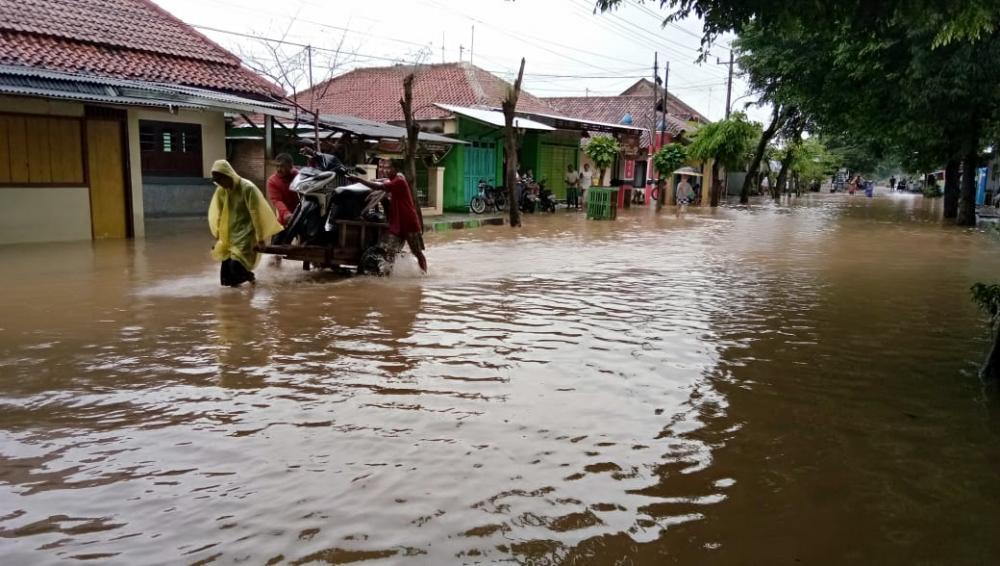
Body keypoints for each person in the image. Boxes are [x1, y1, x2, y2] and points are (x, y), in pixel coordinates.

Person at [208, 160, 283, 287]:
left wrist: (260, 239)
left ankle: (251, 278)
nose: (219, 183)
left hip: (247, 233)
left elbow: (256, 214)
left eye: (220, 180)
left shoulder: (247, 188)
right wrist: (218, 233)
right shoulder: (222, 191)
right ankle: (237, 298)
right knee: (226, 280)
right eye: (216, 181)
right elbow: (219, 213)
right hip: (230, 234)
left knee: (236, 265)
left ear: (227, 175)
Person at [348, 161, 427, 273]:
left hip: (409, 223)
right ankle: (388, 275)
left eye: (388, 168)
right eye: (382, 167)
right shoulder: (395, 178)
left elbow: (379, 186)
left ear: (395, 169)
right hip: (397, 224)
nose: (384, 170)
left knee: (417, 252)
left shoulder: (399, 181)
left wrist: (359, 180)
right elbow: (383, 182)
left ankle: (424, 275)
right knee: (389, 251)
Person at [266, 153, 299, 226]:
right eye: (277, 166)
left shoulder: (299, 177)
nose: (278, 169)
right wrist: (286, 214)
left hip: (301, 214)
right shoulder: (272, 181)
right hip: (284, 216)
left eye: (282, 166)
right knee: (278, 236)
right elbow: (277, 200)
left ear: (290, 166)